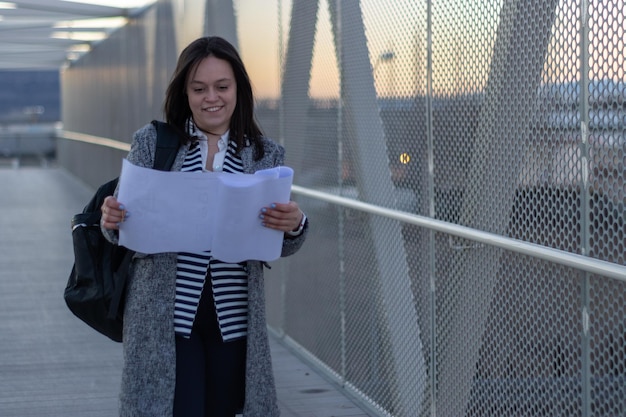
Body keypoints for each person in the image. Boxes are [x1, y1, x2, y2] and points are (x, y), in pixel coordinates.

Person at [100, 36, 308, 417]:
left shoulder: (264, 154)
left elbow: (281, 241)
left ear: (238, 90)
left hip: (234, 319)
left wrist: (294, 224)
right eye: (199, 89)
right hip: (166, 316)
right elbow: (118, 227)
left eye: (222, 86)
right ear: (185, 93)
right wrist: (111, 218)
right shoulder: (152, 144)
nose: (211, 97)